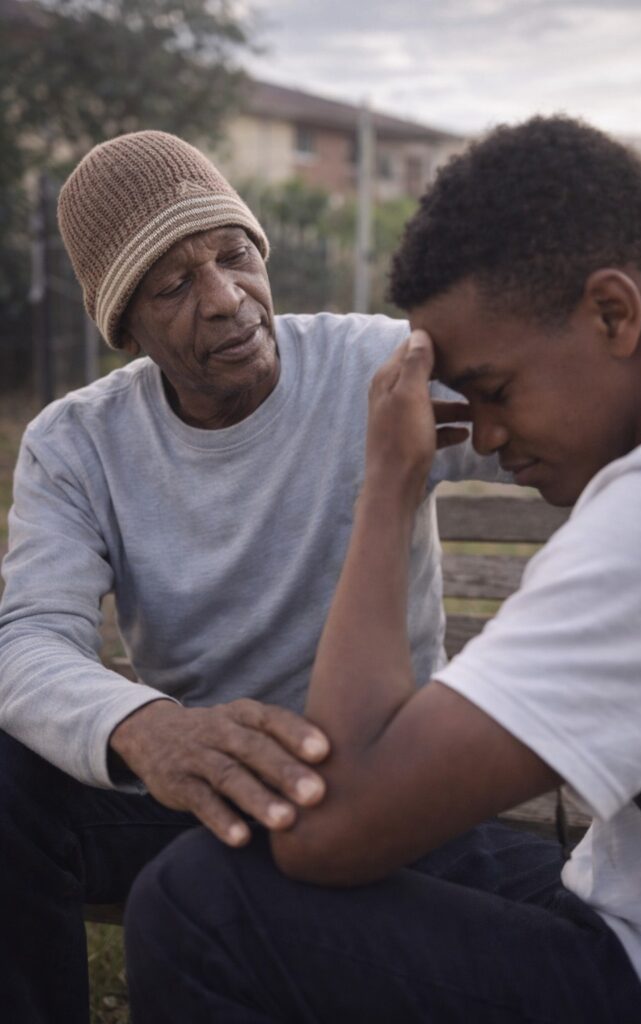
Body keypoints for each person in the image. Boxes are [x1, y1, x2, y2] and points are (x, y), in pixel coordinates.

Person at [124, 116, 641, 1024]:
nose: (488, 437)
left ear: (613, 314)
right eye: (173, 285)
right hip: (619, 904)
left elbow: (331, 827)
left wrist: (386, 478)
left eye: (492, 391)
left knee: (202, 904)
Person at [0, 130, 505, 1022]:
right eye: (173, 285)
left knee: (568, 934)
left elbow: (561, 423)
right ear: (125, 326)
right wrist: (151, 731)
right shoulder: (77, 445)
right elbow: (28, 638)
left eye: (234, 256)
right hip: (201, 791)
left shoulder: (375, 369)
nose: (227, 300)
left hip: (384, 784)